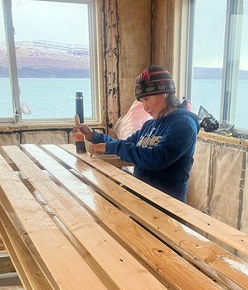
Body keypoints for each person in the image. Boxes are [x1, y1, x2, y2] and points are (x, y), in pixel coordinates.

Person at [74, 66, 200, 202]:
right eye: (142, 101)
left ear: (165, 93)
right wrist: (93, 136)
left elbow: (156, 158)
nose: (145, 107)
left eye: (147, 99)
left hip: (167, 207)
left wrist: (108, 147)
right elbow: (125, 144)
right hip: (143, 201)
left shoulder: (184, 125)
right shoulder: (150, 126)